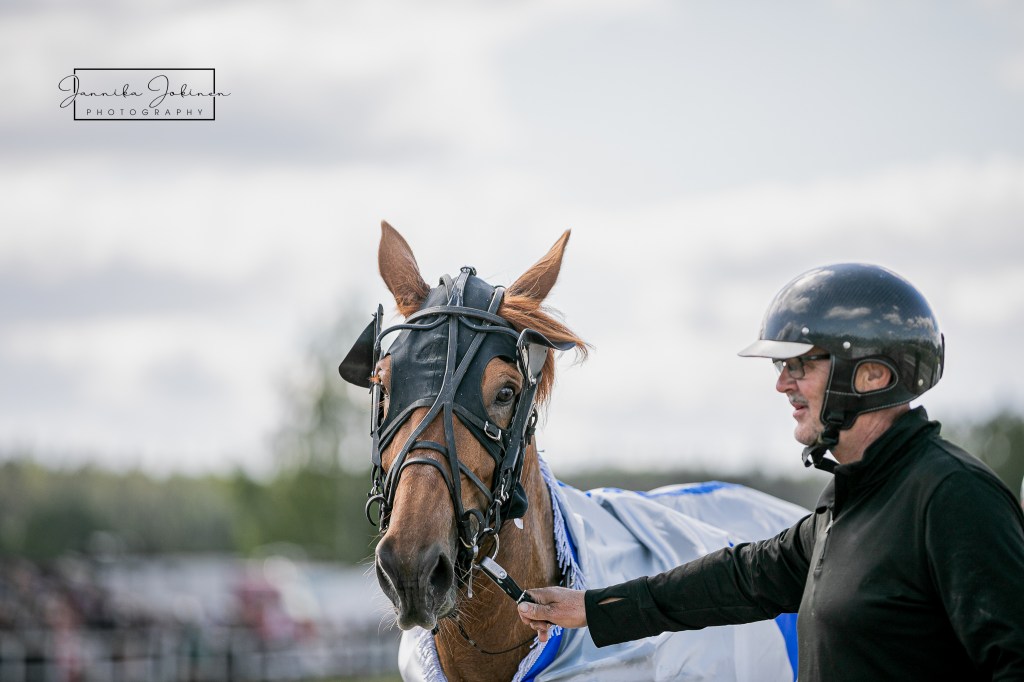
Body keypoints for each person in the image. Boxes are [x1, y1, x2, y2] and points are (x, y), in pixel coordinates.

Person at [518, 263, 1024, 681]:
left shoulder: (952, 496)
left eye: (800, 365)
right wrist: (593, 608)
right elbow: (742, 578)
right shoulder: (852, 499)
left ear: (872, 375)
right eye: (781, 368)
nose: (783, 384)